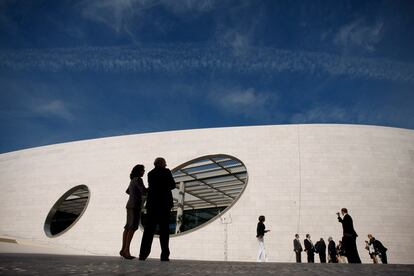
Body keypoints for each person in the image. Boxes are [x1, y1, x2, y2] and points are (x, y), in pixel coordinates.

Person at [139, 157, 176, 261]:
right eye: (165, 163)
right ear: (161, 163)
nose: (166, 164)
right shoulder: (166, 172)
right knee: (164, 230)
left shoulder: (150, 174)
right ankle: (164, 256)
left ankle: (143, 254)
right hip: (164, 204)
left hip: (152, 204)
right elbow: (172, 185)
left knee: (148, 230)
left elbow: (152, 187)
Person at [120, 164, 147, 260]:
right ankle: (126, 251)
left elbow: (127, 191)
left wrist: (134, 193)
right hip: (135, 206)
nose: (144, 172)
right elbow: (143, 191)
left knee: (128, 227)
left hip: (129, 205)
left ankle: (123, 250)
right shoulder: (138, 179)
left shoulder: (132, 180)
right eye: (143, 170)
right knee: (132, 227)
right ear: (139, 171)